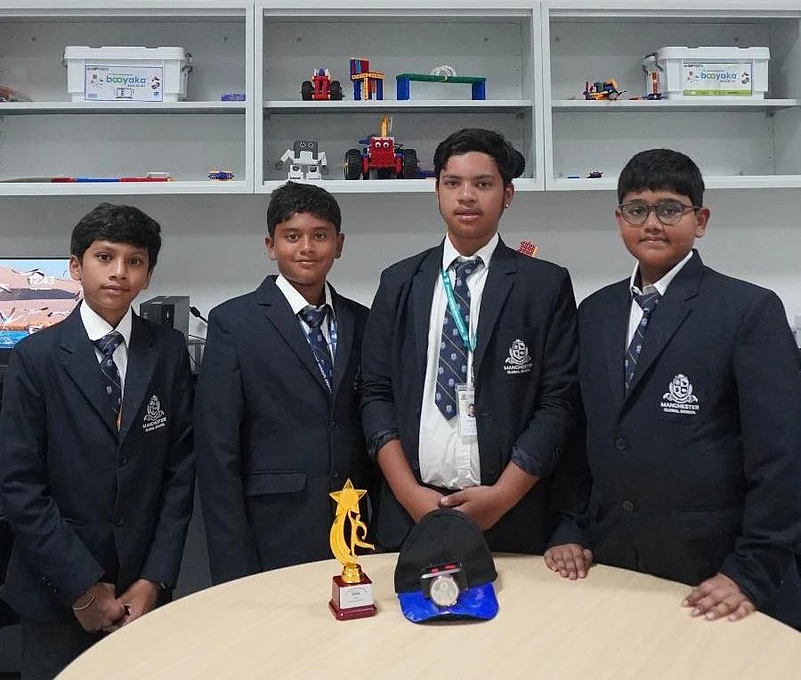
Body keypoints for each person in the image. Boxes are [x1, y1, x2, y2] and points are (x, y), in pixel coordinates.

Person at [545, 149, 801, 627]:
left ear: (700, 220)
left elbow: (783, 457)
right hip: (613, 562)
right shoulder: (594, 313)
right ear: (620, 220)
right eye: (637, 210)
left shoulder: (748, 310)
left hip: (715, 575)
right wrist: (569, 527)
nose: (652, 224)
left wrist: (749, 571)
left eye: (670, 209)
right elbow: (581, 438)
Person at [360, 128, 580, 553]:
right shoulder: (400, 282)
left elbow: (559, 403)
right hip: (411, 514)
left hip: (511, 514)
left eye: (483, 184)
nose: (466, 196)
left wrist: (502, 496)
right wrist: (411, 496)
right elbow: (375, 394)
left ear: (508, 194)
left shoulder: (544, 285)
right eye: (453, 183)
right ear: (437, 190)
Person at [0, 203, 194, 679]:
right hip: (57, 591)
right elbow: (20, 485)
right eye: (104, 257)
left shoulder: (168, 353)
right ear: (75, 267)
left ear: (147, 275)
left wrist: (153, 580)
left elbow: (180, 473)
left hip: (142, 592)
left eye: (134, 261)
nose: (118, 273)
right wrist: (83, 589)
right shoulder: (36, 358)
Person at [195, 181, 373, 584]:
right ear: (270, 245)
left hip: (354, 524)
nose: (307, 248)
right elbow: (217, 453)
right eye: (292, 236)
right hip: (272, 530)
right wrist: (231, 565)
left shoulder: (362, 321)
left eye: (320, 236)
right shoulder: (234, 324)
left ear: (340, 244)